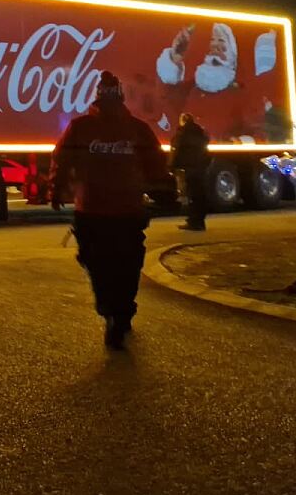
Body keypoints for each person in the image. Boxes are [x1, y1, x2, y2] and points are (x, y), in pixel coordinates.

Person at [49, 71, 173, 350]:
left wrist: (55, 190)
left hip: (91, 210)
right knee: (128, 264)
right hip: (127, 210)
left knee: (98, 264)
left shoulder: (80, 127)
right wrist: (164, 190)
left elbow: (61, 158)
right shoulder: (137, 129)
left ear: (97, 98)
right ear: (121, 98)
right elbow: (155, 163)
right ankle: (122, 311)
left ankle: (109, 309)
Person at [170, 113, 211, 231]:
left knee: (191, 195)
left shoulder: (183, 134)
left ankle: (193, 222)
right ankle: (199, 221)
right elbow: (206, 153)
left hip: (189, 168)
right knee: (199, 195)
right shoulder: (200, 134)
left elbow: (176, 151)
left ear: (183, 121)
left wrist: (171, 167)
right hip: (199, 169)